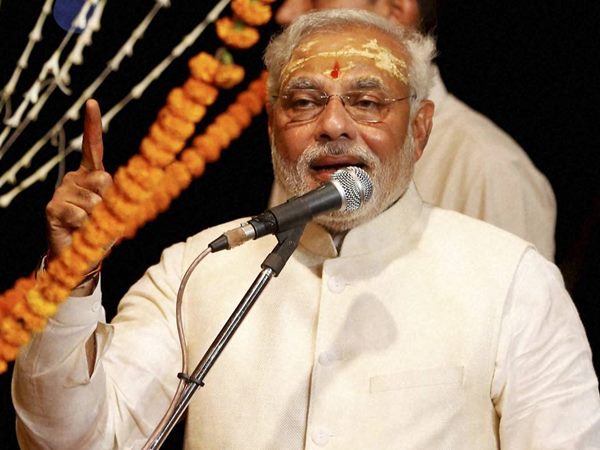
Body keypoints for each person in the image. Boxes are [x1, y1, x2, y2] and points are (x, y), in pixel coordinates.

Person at [13, 9, 600, 449]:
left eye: (366, 102)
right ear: (272, 126)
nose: (333, 125)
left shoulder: (511, 281)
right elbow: (68, 440)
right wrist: (71, 278)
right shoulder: (201, 267)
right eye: (303, 101)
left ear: (420, 130)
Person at [271, 0, 558, 261]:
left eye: (366, 102)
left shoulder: (491, 169)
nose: (285, 13)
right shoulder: (307, 144)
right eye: (304, 101)